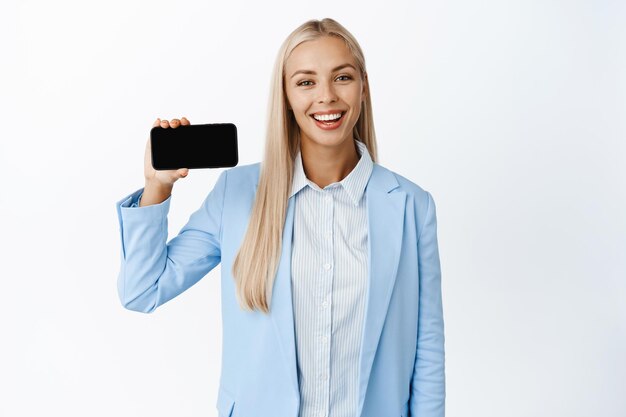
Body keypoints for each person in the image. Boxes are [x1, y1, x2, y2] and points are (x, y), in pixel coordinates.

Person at [115, 17, 445, 417]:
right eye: (306, 82)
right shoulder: (237, 194)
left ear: (363, 88)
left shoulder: (411, 206)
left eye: (342, 77)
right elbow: (142, 290)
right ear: (286, 96)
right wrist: (158, 187)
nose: (326, 96)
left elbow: (426, 349)